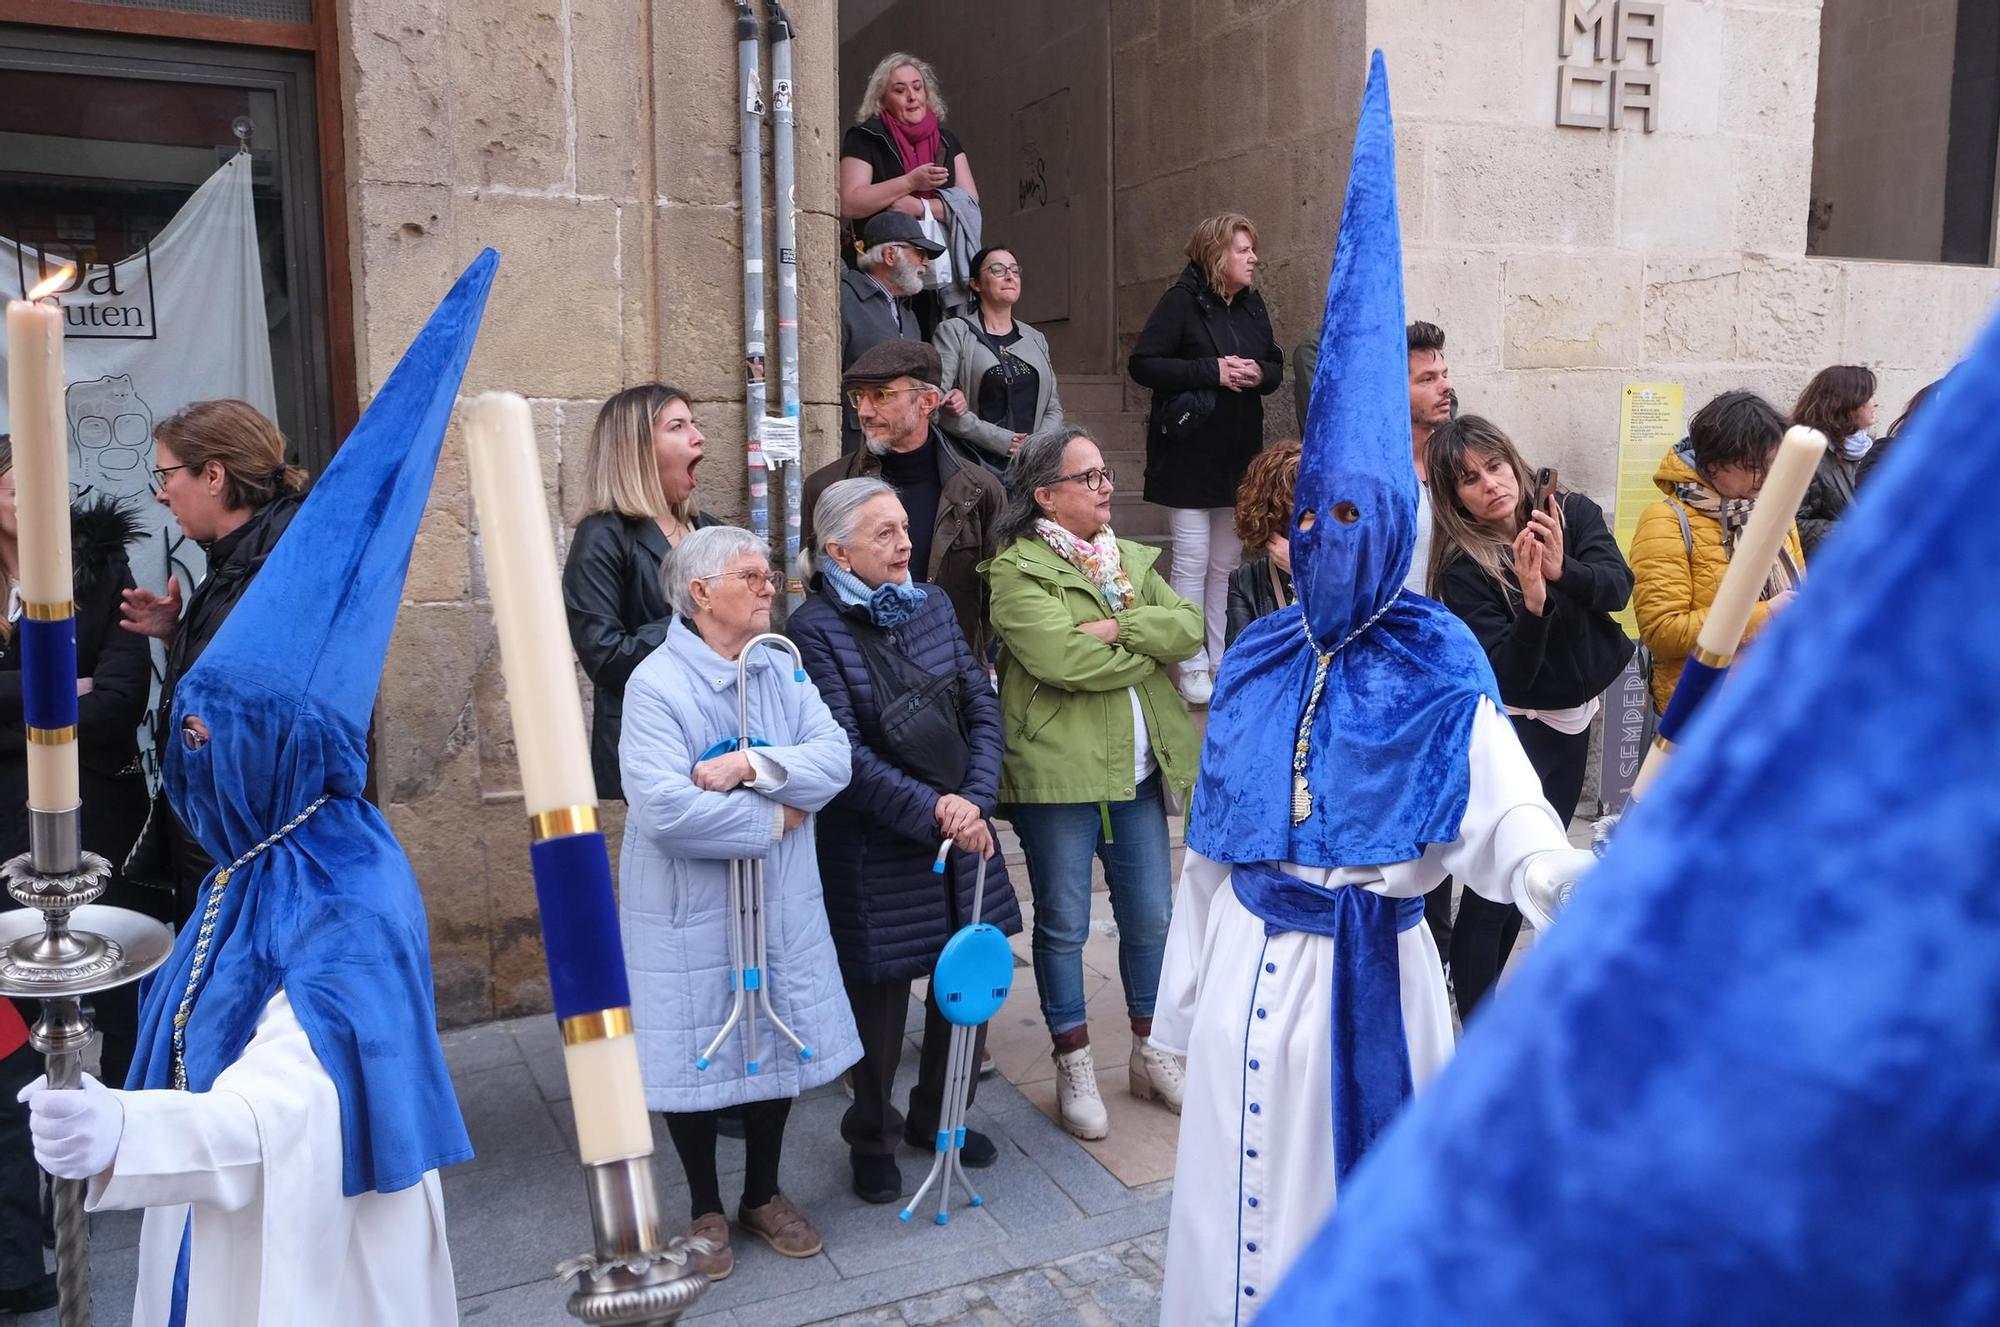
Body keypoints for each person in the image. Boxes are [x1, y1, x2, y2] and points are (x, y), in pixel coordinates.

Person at [1151, 59, 1593, 1325]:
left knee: (1350, 1228)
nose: (1325, 536)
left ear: (1391, 519)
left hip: (1372, 989)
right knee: (1219, 1223)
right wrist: (1182, 1001)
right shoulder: (1255, 655)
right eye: (1307, 517)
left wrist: (1547, 871)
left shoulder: (1434, 656)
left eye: (1353, 513)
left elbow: (1494, 794)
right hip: (1246, 976)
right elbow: (1209, 851)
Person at [19, 251, 499, 1326]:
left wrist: (131, 1135)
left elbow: (299, 1098)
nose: (189, 757)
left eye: (200, 735)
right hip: (224, 1230)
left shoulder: (346, 893)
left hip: (317, 1264)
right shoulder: (250, 862)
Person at [617, 524, 860, 1280]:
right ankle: (703, 1206)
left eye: (768, 575)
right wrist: (774, 814)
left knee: (772, 1031)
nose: (770, 587)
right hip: (687, 901)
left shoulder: (780, 669)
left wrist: (753, 763)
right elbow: (663, 808)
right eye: (752, 576)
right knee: (697, 1042)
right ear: (700, 593)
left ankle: (763, 1190)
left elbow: (835, 758)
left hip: (777, 896)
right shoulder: (655, 684)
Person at [787, 478, 1022, 1204]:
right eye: (883, 532)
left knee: (967, 988)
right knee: (879, 1012)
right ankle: (873, 1132)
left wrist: (975, 798)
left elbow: (980, 702)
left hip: (964, 831)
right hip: (877, 847)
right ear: (837, 550)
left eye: (902, 526)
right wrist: (938, 810)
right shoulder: (813, 630)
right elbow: (845, 757)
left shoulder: (936, 605)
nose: (904, 542)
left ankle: (939, 1118)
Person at [983, 427, 1201, 1140]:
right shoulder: (1017, 571)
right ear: (1046, 494)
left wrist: (1116, 627)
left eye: (1107, 473)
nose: (1107, 486)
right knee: (1066, 923)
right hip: (1059, 774)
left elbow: (1191, 628)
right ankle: (1073, 1059)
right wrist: (1142, 641)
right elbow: (1063, 662)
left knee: (1152, 917)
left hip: (1137, 772)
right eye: (1090, 477)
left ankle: (1149, 1050)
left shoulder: (1129, 558)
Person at [1424, 415, 1635, 1018]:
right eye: (1469, 479)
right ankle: (1476, 1029)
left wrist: (1562, 571)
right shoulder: (1463, 568)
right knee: (1496, 891)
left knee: (1533, 884)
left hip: (1574, 719)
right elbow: (1509, 678)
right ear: (1453, 496)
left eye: (1494, 465)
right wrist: (1535, 604)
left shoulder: (1568, 512)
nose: (1490, 484)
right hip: (1516, 734)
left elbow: (1618, 589)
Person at [0, 437, 156, 1083]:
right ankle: (22, 1168)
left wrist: (20, 707)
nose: (33, 497)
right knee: (12, 1018)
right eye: (15, 485)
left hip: (99, 820)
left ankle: (131, 1149)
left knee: (120, 996)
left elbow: (120, 702)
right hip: (3, 823)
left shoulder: (101, 567)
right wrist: (61, 687)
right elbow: (82, 698)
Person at [119, 399, 306, 922]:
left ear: (215, 475)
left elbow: (266, 712)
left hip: (239, 844)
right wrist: (176, 633)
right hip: (214, 835)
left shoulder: (273, 571)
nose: (161, 492)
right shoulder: (234, 560)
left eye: (168, 473)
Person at [1129, 213, 1283, 707]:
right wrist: (1211, 370)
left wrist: (1257, 373)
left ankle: (1222, 657)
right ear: (1217, 254)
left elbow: (1276, 365)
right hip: (1188, 453)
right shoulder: (1181, 301)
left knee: (1228, 562)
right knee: (1192, 560)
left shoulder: (1252, 304)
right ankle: (1190, 661)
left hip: (1237, 454)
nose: (1253, 258)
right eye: (1243, 250)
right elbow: (1144, 364)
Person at [562, 384, 721, 803]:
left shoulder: (708, 528)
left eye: (694, 423)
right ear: (637, 449)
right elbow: (606, 658)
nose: (698, 436)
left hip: (721, 737)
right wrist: (696, 619)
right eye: (678, 426)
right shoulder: (603, 535)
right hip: (648, 746)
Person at [804, 340, 1003, 661]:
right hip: (863, 680)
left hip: (953, 681)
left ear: (927, 401)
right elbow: (818, 591)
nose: (865, 411)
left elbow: (997, 598)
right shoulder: (827, 487)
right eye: (858, 397)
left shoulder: (980, 489)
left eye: (880, 395)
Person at [1631, 390, 1805, 716]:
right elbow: (1662, 631)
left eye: (1773, 463)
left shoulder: (1778, 510)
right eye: (1754, 466)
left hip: (1779, 698)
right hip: (1705, 712)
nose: (1766, 477)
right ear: (1712, 466)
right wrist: (1764, 615)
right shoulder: (1665, 521)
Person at [839, 52, 981, 333]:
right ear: (882, 99)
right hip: (885, 271)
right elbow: (850, 203)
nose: (912, 96)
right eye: (900, 90)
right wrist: (910, 182)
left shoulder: (947, 140)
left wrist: (921, 209)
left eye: (918, 87)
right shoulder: (866, 138)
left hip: (940, 273)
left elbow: (970, 205)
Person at [932, 246, 1065, 472]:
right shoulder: (954, 331)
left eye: (1014, 270)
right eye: (997, 270)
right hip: (976, 462)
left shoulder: (1035, 338)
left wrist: (1036, 447)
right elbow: (936, 404)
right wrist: (1001, 440)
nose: (1010, 276)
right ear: (976, 284)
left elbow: (1053, 407)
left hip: (1031, 465)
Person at [840, 212, 944, 453]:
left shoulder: (907, 313)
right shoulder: (844, 298)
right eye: (920, 253)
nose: (925, 263)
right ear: (890, 255)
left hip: (899, 446)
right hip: (856, 445)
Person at [1790, 364, 1878, 556]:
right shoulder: (1809, 456)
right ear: (1847, 403)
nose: (1875, 403)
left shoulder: (1871, 450)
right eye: (1868, 397)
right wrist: (1849, 532)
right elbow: (1792, 526)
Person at [1224, 441, 1301, 649]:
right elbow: (1241, 665)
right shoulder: (1246, 582)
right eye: (1300, 511)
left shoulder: (1350, 572)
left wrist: (1302, 572)